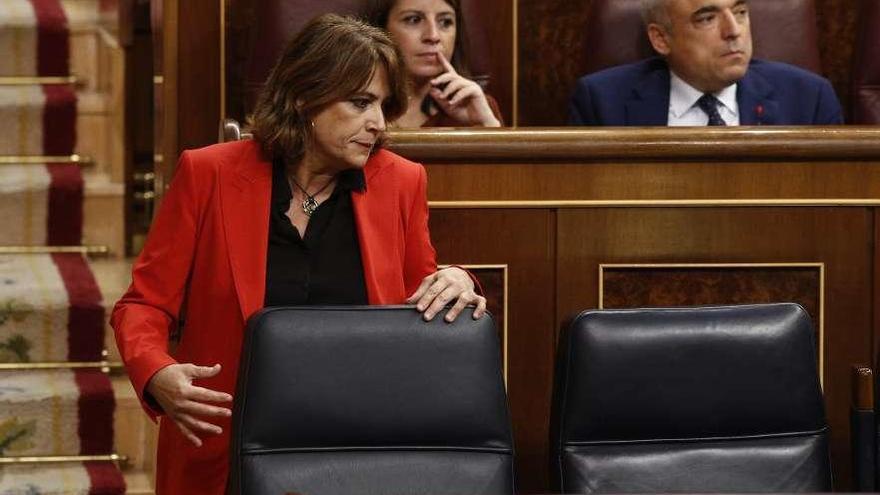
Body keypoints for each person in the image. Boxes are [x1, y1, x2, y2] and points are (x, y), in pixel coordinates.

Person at [111, 14, 486, 495]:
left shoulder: (400, 181)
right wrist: (156, 373)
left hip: (357, 442)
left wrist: (458, 279)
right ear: (305, 96)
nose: (377, 123)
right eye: (360, 103)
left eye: (383, 105)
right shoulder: (209, 175)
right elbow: (142, 305)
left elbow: (423, 294)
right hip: (228, 445)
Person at [568, 0, 843, 126]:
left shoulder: (810, 100)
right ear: (661, 38)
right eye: (707, 18)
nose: (733, 31)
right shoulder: (601, 104)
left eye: (740, 11)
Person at [364, 0, 503, 127]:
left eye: (445, 22)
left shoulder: (475, 105)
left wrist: (487, 123)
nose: (433, 36)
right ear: (381, 29)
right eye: (414, 20)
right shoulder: (358, 106)